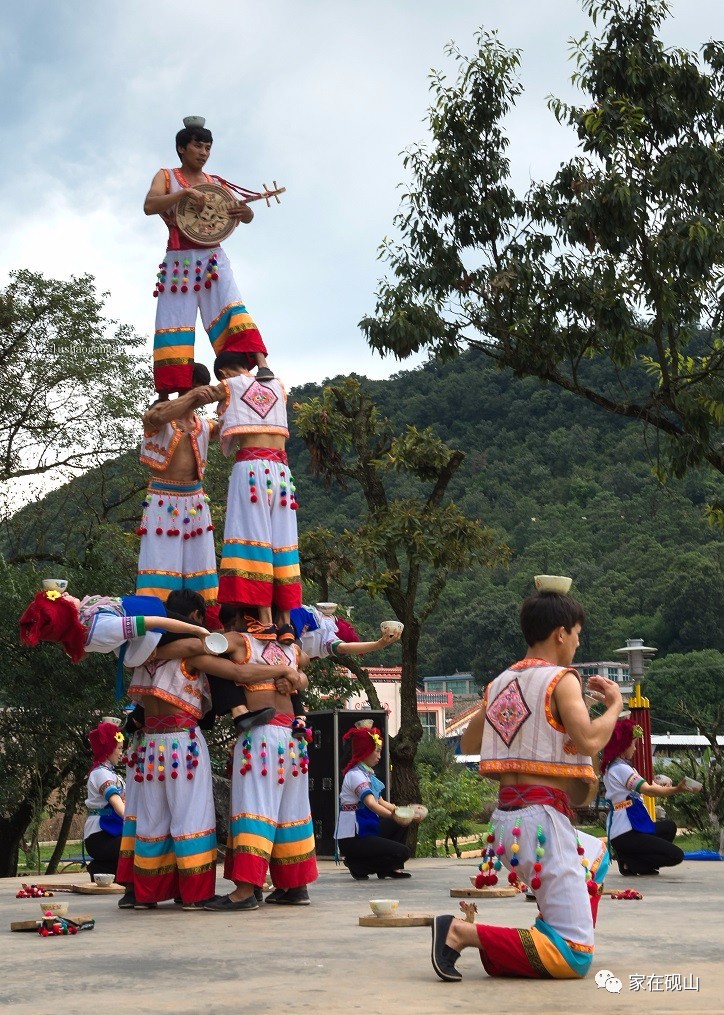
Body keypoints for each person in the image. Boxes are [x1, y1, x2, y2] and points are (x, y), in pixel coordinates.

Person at [430, 585, 623, 983]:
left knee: (596, 857)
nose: (578, 642)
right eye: (577, 633)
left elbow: (468, 742)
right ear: (560, 633)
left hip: (506, 823)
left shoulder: (500, 682)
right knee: (575, 959)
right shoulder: (561, 679)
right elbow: (588, 740)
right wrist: (616, 706)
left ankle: (557, 923)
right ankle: (461, 932)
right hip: (542, 824)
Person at [116, 644, 300, 910]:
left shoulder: (139, 654)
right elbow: (239, 672)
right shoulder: (193, 655)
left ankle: (146, 894)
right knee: (192, 818)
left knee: (151, 819)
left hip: (151, 746)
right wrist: (286, 669)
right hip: (183, 745)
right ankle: (195, 894)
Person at [145, 116, 272, 394]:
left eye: (208, 148)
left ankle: (259, 365)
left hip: (213, 258)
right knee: (173, 321)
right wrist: (183, 194)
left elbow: (238, 214)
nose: (203, 153)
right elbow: (150, 205)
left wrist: (246, 213)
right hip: (179, 262)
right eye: (198, 146)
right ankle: (169, 392)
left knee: (231, 306)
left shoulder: (215, 183)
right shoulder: (166, 176)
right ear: (182, 148)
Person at [203, 627, 317, 911]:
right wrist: (295, 676)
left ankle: (245, 890)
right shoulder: (290, 646)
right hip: (294, 738)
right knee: (291, 811)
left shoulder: (239, 640)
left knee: (254, 809)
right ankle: (294, 886)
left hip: (261, 736)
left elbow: (206, 646)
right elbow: (306, 663)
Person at [197, 352, 302, 642]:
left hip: (252, 471)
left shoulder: (229, 387)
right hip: (282, 473)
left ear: (224, 372)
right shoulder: (278, 386)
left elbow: (206, 403)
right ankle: (286, 622)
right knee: (283, 542)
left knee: (253, 540)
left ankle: (265, 620)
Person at [136, 363, 220, 604]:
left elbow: (228, 428)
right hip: (164, 499)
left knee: (200, 561)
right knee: (159, 560)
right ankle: (157, 614)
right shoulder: (159, 416)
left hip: (196, 500)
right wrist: (191, 395)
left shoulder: (204, 425)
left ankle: (202, 616)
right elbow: (157, 416)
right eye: (196, 388)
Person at [601, 718, 698, 876]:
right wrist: (677, 789)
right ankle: (630, 860)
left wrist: (662, 787)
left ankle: (634, 862)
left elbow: (647, 788)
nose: (635, 749)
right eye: (633, 744)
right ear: (623, 744)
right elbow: (649, 790)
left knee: (669, 827)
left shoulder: (617, 767)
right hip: (626, 833)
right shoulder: (620, 769)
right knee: (676, 855)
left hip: (628, 829)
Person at [19, 587, 210, 666]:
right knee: (203, 643)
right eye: (64, 598)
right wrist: (197, 629)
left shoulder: (81, 621)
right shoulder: (100, 628)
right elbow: (155, 621)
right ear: (65, 614)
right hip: (155, 627)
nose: (67, 592)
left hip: (152, 617)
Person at [335, 723, 413, 881]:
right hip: (354, 838)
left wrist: (406, 812)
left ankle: (388, 869)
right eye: (376, 751)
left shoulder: (366, 775)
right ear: (365, 751)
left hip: (366, 829)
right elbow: (371, 803)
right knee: (403, 852)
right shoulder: (355, 775)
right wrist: (395, 816)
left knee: (403, 823)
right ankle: (358, 865)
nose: (379, 756)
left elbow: (381, 801)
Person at [84, 721, 126, 882]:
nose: (121, 753)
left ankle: (101, 869)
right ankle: (101, 868)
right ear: (108, 749)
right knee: (135, 844)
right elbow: (116, 801)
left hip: (111, 831)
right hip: (100, 835)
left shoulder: (113, 775)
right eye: (119, 748)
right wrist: (131, 822)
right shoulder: (100, 774)